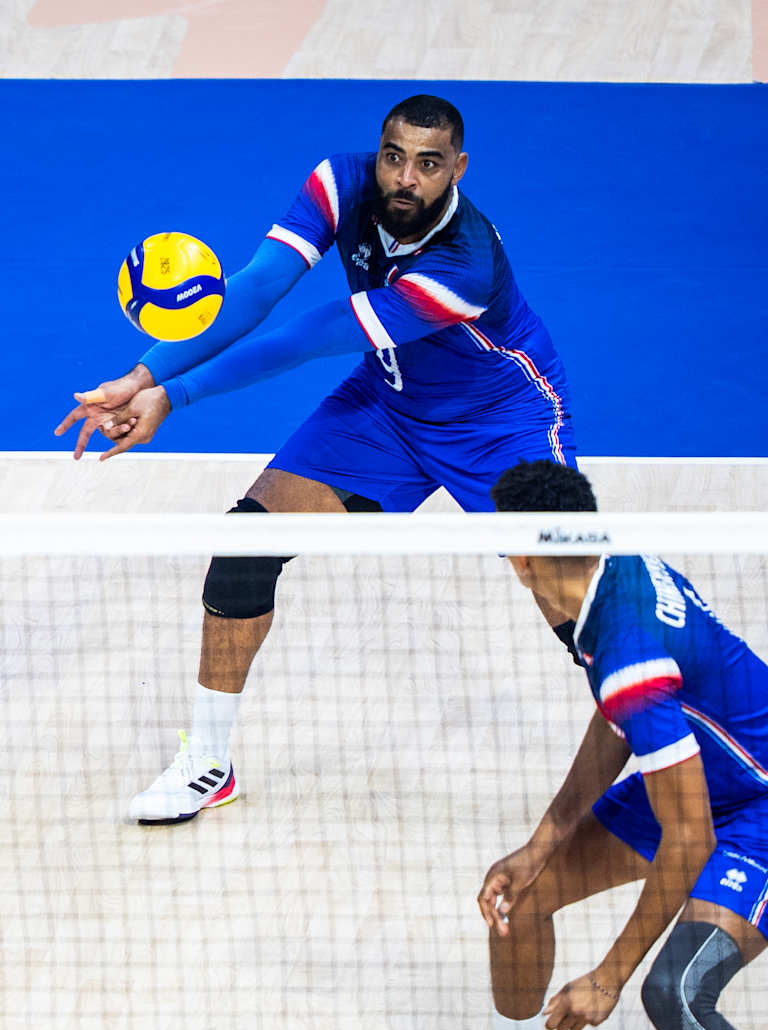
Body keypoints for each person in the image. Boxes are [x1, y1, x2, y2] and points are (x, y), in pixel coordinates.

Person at [55, 94, 579, 826]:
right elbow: (254, 291)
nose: (406, 178)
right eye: (394, 157)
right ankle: (208, 762)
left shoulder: (463, 266)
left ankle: (680, 747)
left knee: (573, 592)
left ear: (457, 168)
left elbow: (304, 338)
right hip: (389, 407)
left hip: (499, 421)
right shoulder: (341, 183)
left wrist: (175, 396)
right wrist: (142, 376)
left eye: (428, 164)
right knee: (245, 544)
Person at [408, 458, 768, 1030]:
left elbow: (689, 838)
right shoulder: (609, 575)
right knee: (523, 895)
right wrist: (542, 842)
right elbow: (617, 721)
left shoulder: (629, 648)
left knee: (676, 994)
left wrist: (608, 976)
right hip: (700, 774)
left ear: (520, 561)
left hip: (757, 808)